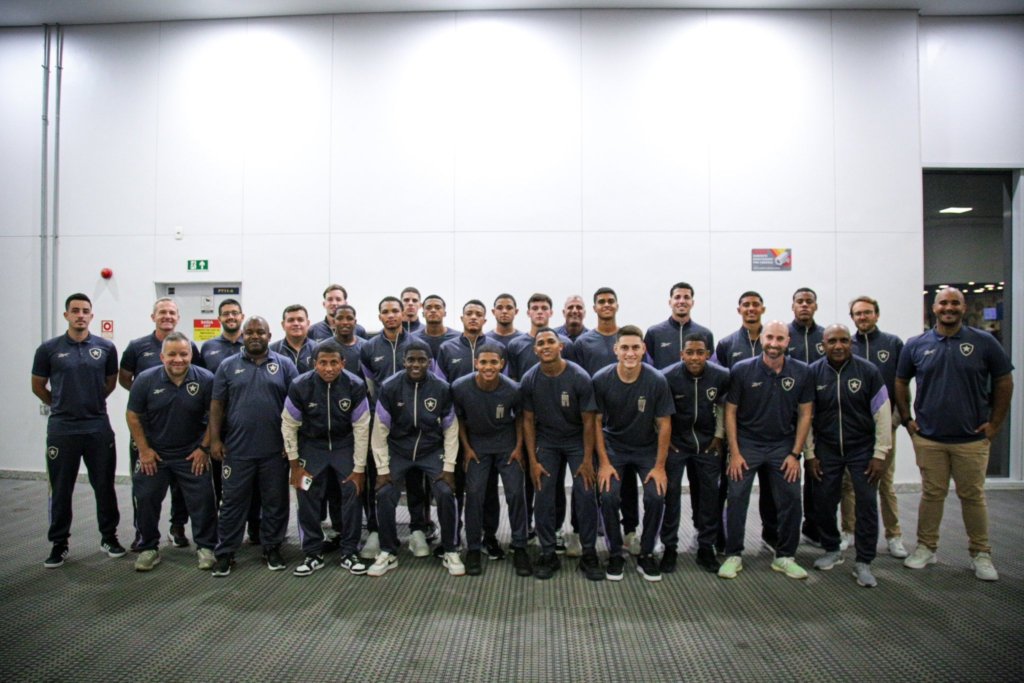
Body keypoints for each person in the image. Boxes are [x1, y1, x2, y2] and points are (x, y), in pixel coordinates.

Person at [895, 287, 1013, 582]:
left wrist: (995, 424)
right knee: (932, 495)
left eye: (955, 303)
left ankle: (981, 554)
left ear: (963, 307)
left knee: (973, 496)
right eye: (943, 303)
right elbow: (900, 381)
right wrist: (908, 419)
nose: (949, 307)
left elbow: (1004, 381)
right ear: (933, 308)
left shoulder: (984, 342)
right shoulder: (916, 344)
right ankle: (926, 547)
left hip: (971, 439)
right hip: (930, 438)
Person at [32, 293, 123, 568]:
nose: (80, 315)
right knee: (61, 488)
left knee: (104, 486)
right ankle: (59, 544)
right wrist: (60, 404)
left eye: (85, 311)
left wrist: (91, 402)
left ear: (91, 316)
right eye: (75, 311)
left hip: (97, 427)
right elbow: (38, 385)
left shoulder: (106, 348)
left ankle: (109, 537)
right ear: (66, 315)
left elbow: (110, 383)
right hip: (62, 429)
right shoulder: (48, 349)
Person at [719, 321, 813, 581]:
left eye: (779, 339)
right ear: (761, 338)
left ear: (788, 341)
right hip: (747, 444)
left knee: (792, 499)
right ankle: (733, 555)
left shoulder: (802, 371)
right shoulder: (742, 370)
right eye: (769, 337)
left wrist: (795, 454)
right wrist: (735, 453)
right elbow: (730, 411)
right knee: (737, 496)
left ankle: (785, 556)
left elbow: (806, 413)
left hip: (783, 446)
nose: (774, 343)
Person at [209, 316, 298, 576]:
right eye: (249, 332)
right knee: (232, 503)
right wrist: (214, 440)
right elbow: (217, 405)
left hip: (274, 450)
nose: (255, 336)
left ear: (270, 336)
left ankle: (272, 547)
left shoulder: (284, 365)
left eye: (260, 332)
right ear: (242, 336)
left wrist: (291, 444)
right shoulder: (227, 366)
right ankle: (225, 552)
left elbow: (295, 407)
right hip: (237, 451)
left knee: (275, 502)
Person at [368, 341, 464, 577]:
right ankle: (388, 551)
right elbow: (379, 430)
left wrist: (449, 467)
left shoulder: (442, 388)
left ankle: (451, 549)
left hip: (431, 450)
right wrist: (382, 469)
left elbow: (451, 429)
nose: (416, 364)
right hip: (399, 450)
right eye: (411, 359)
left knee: (444, 491)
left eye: (422, 360)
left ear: (429, 363)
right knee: (384, 493)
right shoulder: (390, 387)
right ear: (404, 361)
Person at [806, 325, 891, 588]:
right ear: (823, 344)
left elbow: (883, 414)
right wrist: (810, 453)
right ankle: (832, 547)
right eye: (832, 341)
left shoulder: (868, 371)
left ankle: (864, 561)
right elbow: (805, 416)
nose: (838, 345)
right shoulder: (813, 373)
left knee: (866, 504)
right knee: (822, 502)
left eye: (844, 340)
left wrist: (880, 453)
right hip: (827, 450)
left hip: (862, 450)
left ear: (851, 343)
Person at [126, 332, 217, 572]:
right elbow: (133, 415)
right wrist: (144, 450)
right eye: (172, 354)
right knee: (145, 499)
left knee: (203, 501)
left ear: (191, 355)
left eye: (184, 354)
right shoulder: (145, 380)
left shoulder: (206, 379)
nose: (178, 359)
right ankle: (148, 548)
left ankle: (206, 547)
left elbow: (216, 417)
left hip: (192, 454)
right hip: (155, 455)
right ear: (162, 356)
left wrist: (203, 448)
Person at [281, 340, 371, 577]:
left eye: (334, 363)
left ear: (343, 363)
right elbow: (289, 425)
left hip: (345, 447)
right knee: (306, 493)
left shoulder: (355, 384)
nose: (328, 368)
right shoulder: (300, 385)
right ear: (314, 364)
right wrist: (294, 466)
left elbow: (362, 428)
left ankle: (350, 551)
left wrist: (359, 468)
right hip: (312, 448)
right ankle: (312, 553)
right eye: (323, 363)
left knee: (352, 493)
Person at [119, 297, 202, 550]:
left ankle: (177, 527)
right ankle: (142, 533)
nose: (167, 316)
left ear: (178, 317)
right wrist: (151, 398)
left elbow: (197, 381)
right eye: (162, 312)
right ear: (153, 316)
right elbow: (124, 379)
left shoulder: (189, 346)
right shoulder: (137, 346)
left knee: (181, 485)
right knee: (145, 486)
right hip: (149, 430)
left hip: (183, 432)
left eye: (171, 313)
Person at [521, 328, 604, 581]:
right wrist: (533, 461)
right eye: (540, 343)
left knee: (586, 492)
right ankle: (547, 552)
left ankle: (589, 552)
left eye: (550, 342)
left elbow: (589, 421)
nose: (545, 346)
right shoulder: (529, 379)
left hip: (577, 441)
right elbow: (527, 420)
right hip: (547, 441)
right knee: (543, 491)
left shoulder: (579, 377)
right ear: (535, 350)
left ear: (560, 347)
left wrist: (588, 460)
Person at [593, 325, 673, 582]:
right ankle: (615, 552)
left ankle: (646, 553)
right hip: (614, 447)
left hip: (646, 448)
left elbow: (664, 425)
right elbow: (595, 423)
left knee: (655, 497)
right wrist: (604, 463)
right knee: (608, 496)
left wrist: (659, 467)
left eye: (635, 347)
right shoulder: (601, 379)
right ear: (616, 350)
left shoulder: (656, 381)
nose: (630, 352)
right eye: (624, 347)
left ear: (643, 349)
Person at [360, 296, 434, 556]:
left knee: (416, 480)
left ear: (404, 314)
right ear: (379, 316)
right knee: (377, 479)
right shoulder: (369, 348)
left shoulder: (419, 345)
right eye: (385, 312)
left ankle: (417, 530)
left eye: (395, 311)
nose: (391, 315)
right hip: (382, 426)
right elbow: (369, 387)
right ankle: (376, 531)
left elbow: (430, 381)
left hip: (414, 426)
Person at [451, 344, 532, 577]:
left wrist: (518, 448)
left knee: (516, 493)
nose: (488, 367)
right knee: (474, 494)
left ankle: (520, 547)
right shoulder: (460, 387)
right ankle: (474, 548)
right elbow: (460, 420)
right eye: (483, 362)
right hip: (477, 447)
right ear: (476, 363)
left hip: (507, 446)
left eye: (493, 362)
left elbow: (519, 419)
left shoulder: (513, 389)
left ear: (501, 364)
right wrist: (466, 448)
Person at [843, 295, 907, 558]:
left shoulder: (892, 343)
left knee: (884, 482)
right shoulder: (846, 345)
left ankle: (894, 536)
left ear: (876, 315)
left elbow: (902, 384)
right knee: (847, 484)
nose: (863, 317)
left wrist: (899, 418)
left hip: (885, 427)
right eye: (858, 314)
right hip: (852, 430)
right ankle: (849, 531)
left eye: (867, 312)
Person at [712, 291, 776, 551]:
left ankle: (771, 535)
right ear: (739, 310)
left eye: (755, 305)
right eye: (746, 305)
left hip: (772, 429)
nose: (751, 309)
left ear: (763, 308)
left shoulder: (773, 342)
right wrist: (721, 432)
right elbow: (719, 389)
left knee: (771, 489)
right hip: (736, 431)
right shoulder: (727, 345)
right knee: (730, 488)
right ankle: (723, 538)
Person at [661, 333, 729, 574]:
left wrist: (719, 436)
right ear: (682, 354)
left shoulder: (721, 376)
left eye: (700, 353)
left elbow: (724, 407)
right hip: (677, 445)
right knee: (670, 496)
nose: (695, 357)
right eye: (689, 352)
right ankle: (669, 547)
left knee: (710, 496)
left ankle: (706, 547)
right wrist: (665, 442)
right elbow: (659, 412)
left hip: (707, 446)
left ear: (708, 354)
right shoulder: (667, 376)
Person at [787, 287, 827, 547]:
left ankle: (814, 527)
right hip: (791, 418)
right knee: (788, 478)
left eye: (808, 301)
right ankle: (784, 530)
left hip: (823, 419)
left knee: (817, 474)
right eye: (799, 301)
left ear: (815, 306)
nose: (804, 305)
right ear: (793, 306)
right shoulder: (783, 336)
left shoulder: (827, 337)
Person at [644, 281, 714, 370]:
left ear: (692, 303)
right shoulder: (654, 333)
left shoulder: (705, 334)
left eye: (686, 297)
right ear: (670, 302)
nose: (681, 301)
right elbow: (646, 367)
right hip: (664, 384)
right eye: (677, 297)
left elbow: (711, 367)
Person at [506, 293, 576, 380]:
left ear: (551, 313)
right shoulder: (515, 345)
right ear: (528, 313)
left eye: (544, 308)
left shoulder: (565, 343)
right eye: (535, 308)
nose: (539, 312)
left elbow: (571, 375)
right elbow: (513, 379)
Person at [269, 304, 318, 373]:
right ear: (283, 325)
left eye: (300, 320)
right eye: (291, 320)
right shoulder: (271, 351)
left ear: (308, 323)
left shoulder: (318, 349)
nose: (296, 323)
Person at [200, 299, 244, 372]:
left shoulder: (251, 344)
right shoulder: (208, 346)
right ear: (219, 319)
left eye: (235, 313)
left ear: (242, 317)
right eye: (226, 314)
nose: (230, 317)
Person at [414, 294, 460, 359]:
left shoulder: (458, 338)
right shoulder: (413, 339)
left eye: (438, 308)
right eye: (428, 308)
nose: (433, 310)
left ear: (445, 313)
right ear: (423, 314)